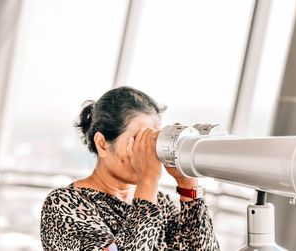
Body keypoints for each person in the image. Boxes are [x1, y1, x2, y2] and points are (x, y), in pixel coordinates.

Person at [40, 86, 220, 250]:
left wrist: (188, 188)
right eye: (138, 140)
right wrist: (148, 181)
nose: (146, 151)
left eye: (151, 140)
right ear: (102, 144)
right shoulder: (64, 204)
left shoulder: (160, 202)